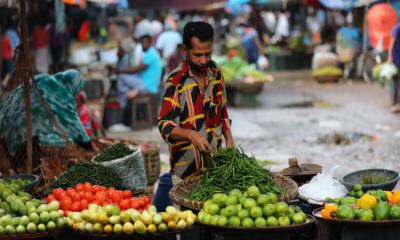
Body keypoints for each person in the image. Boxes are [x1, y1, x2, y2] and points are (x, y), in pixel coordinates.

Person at [158, 21, 235, 179]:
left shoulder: (216, 74)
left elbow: (223, 112)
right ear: (185, 49)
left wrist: (230, 141)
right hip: (186, 171)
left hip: (216, 168)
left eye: (208, 54)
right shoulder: (175, 81)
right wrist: (190, 135)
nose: (203, 60)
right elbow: (165, 125)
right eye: (198, 55)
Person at [0, 69, 91, 159]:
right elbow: (72, 122)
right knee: (26, 166)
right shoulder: (62, 92)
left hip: (5, 121)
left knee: (12, 163)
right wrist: (88, 145)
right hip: (23, 131)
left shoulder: (42, 78)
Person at [112, 35, 162, 107]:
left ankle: (124, 103)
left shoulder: (151, 54)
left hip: (147, 85)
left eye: (145, 43)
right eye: (142, 43)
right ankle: (133, 91)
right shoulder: (151, 52)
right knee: (125, 78)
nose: (143, 45)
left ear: (150, 43)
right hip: (146, 82)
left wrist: (119, 70)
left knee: (121, 77)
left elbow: (137, 69)